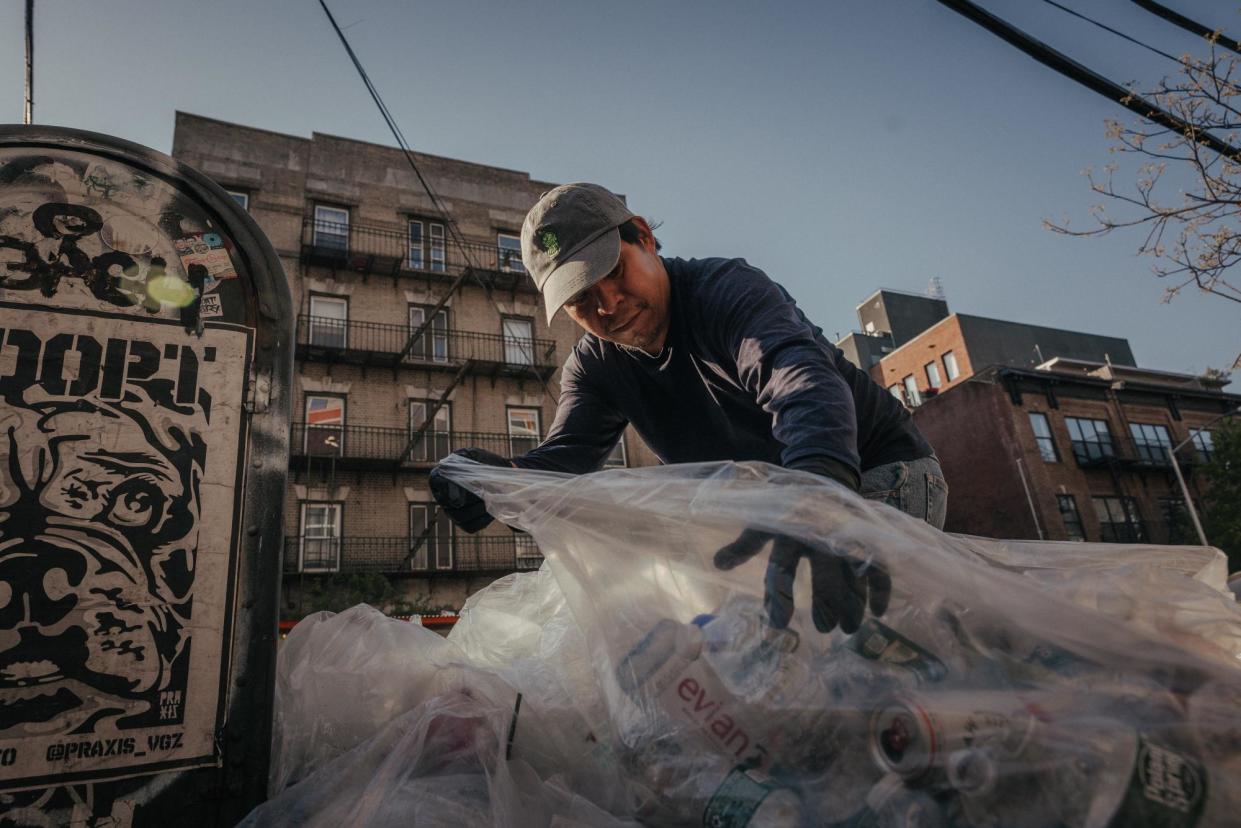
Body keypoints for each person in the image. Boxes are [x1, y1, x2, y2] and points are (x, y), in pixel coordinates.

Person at [430, 183, 946, 634]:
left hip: (871, 473)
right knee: (762, 657)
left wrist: (821, 500)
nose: (607, 304)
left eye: (613, 270)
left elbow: (799, 380)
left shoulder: (727, 291)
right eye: (581, 299)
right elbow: (565, 460)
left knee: (866, 644)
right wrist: (496, 482)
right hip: (772, 510)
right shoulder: (594, 366)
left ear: (644, 237)